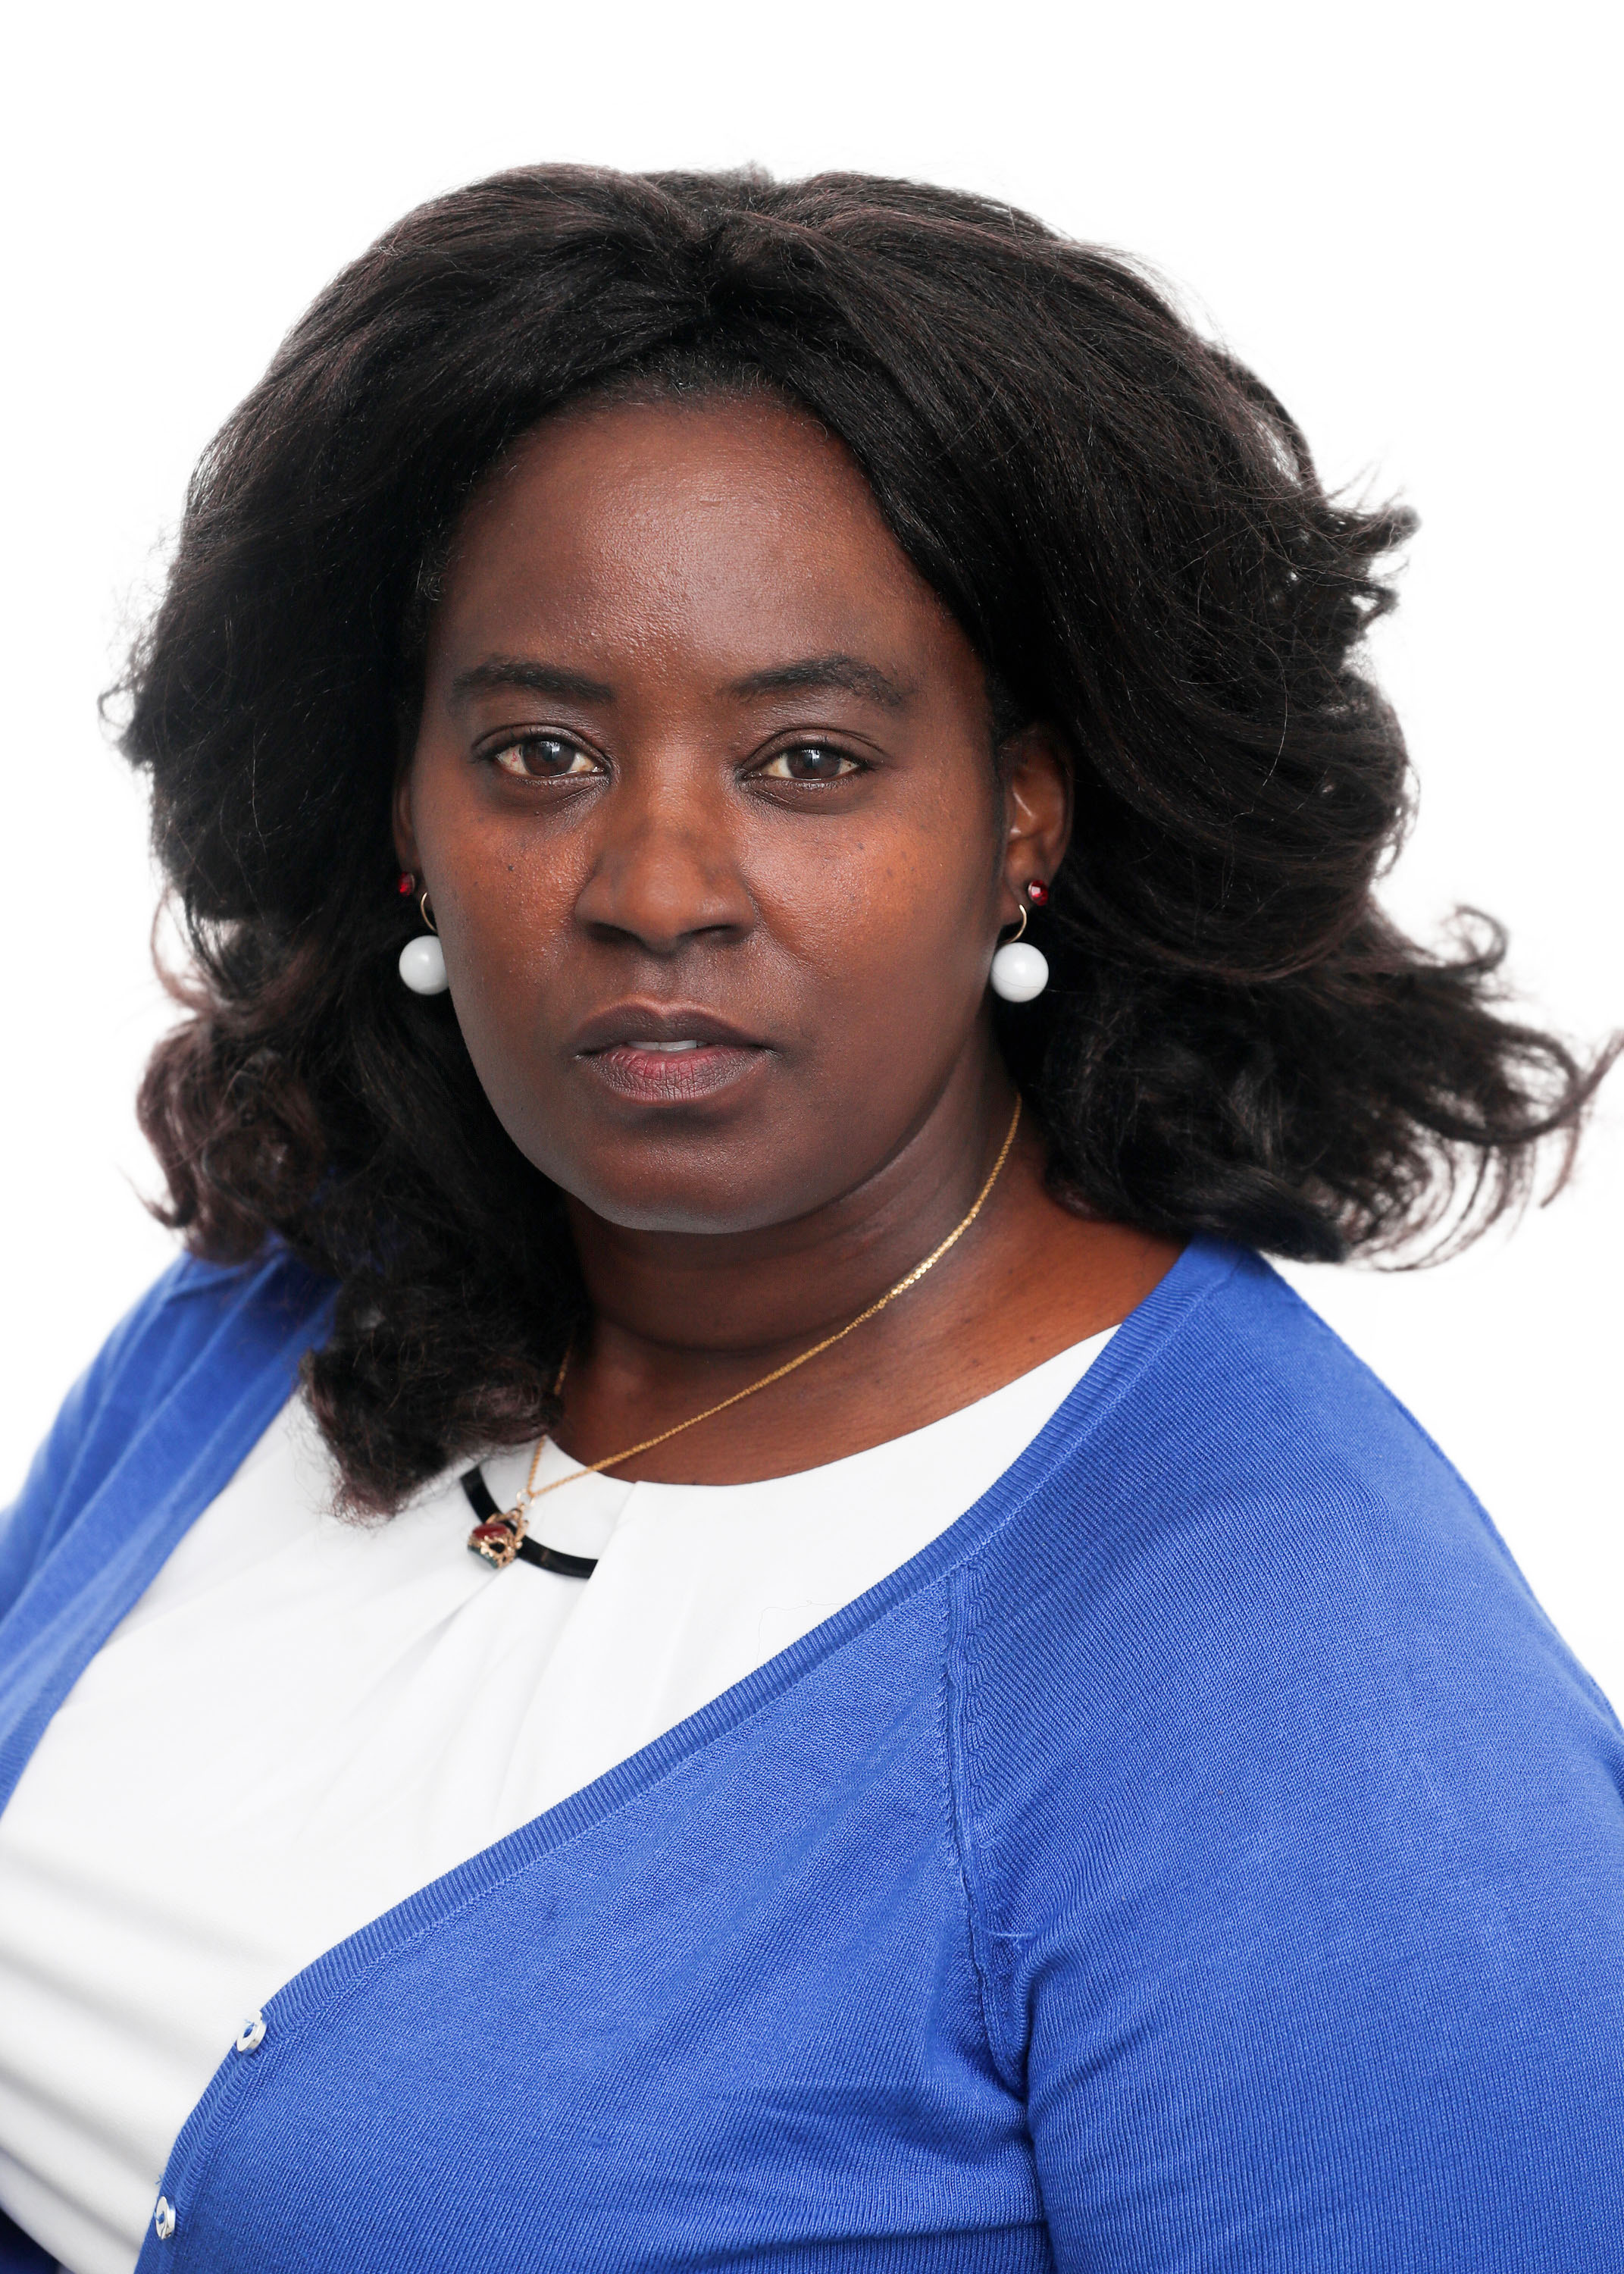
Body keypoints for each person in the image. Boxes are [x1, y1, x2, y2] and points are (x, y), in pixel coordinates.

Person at [1, 164, 1619, 2274]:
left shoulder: (1309, 1692)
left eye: (811, 760)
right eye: (541, 751)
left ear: (1023, 817)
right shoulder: (268, 1316)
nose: (657, 887)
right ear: (403, 809)